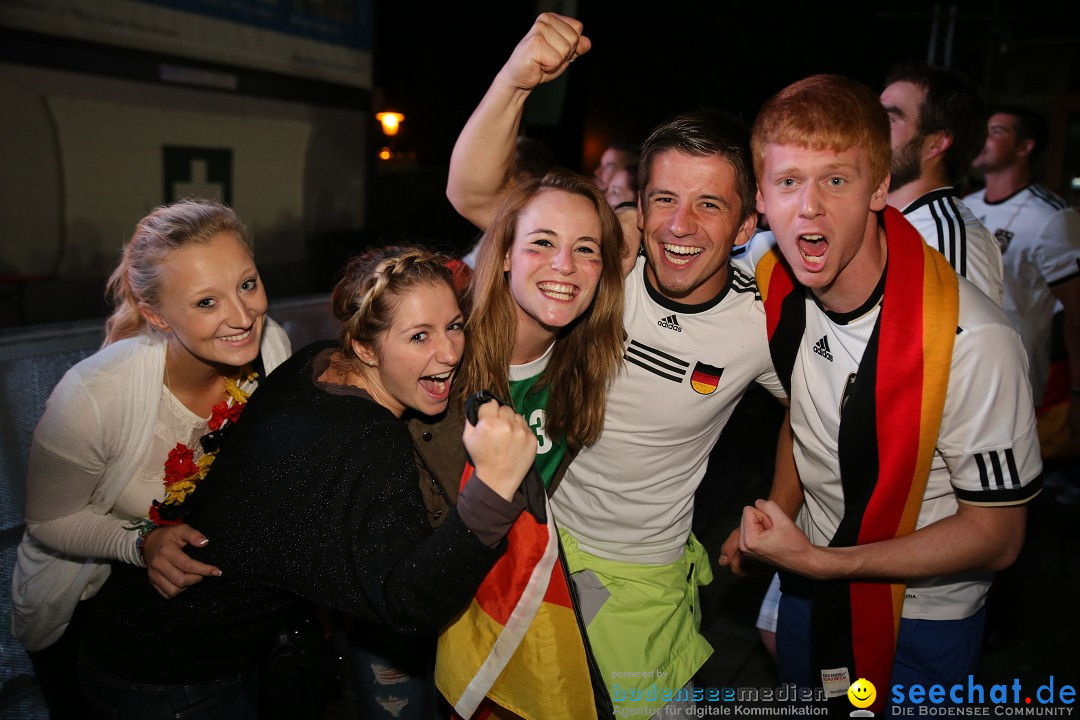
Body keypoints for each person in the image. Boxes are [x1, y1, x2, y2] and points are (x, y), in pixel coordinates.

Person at [446, 14, 787, 717]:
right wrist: (516, 80)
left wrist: (781, 510)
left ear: (747, 226)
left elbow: (819, 419)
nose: (679, 226)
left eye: (709, 205)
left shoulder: (765, 324)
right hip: (531, 548)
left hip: (643, 577)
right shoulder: (600, 266)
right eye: (663, 199)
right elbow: (477, 200)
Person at [76, 248, 536, 719]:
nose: (449, 351)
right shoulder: (365, 438)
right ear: (364, 348)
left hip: (152, 634)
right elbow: (408, 602)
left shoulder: (315, 362)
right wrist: (494, 488)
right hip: (169, 675)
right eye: (419, 336)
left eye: (454, 326)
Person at [738, 74, 1042, 715]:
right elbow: (807, 406)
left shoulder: (970, 336)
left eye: (837, 180)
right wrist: (781, 511)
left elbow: (998, 533)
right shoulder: (776, 279)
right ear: (761, 198)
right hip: (809, 590)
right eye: (789, 181)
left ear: (881, 187)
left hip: (920, 617)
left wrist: (825, 563)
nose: (810, 208)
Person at [10, 199, 291, 719]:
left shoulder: (272, 347)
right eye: (207, 302)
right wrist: (140, 542)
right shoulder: (95, 395)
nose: (243, 315)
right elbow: (48, 520)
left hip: (204, 631)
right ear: (157, 314)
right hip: (86, 615)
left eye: (247, 284)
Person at [410, 169, 625, 718]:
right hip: (411, 612)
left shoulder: (585, 363)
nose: (565, 266)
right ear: (502, 254)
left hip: (503, 602)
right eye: (542, 243)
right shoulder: (444, 353)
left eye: (586, 249)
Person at [964, 106, 1080, 468]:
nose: (982, 139)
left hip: (1011, 382)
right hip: (955, 369)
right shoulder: (961, 207)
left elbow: (1077, 313)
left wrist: (1076, 390)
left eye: (996, 131)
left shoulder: (1051, 216)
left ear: (1025, 147)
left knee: (1000, 493)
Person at [880, 63, 1004, 304]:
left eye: (890, 118)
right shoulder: (873, 218)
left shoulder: (946, 237)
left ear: (936, 143)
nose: (870, 128)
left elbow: (963, 341)